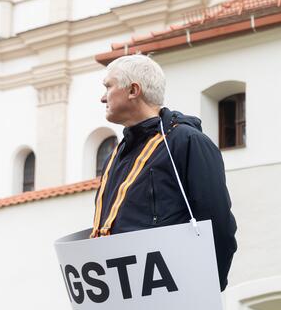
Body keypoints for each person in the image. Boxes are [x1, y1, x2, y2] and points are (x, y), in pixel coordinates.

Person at [94, 54, 237, 290]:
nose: (102, 98)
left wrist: (207, 289)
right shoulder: (115, 156)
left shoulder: (187, 142)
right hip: (120, 296)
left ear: (133, 90)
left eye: (108, 87)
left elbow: (217, 225)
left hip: (170, 296)